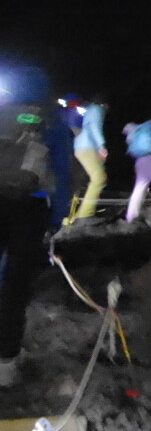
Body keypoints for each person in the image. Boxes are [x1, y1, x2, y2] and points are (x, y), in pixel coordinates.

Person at [0, 67, 72, 388]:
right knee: (16, 286)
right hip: (30, 208)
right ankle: (5, 363)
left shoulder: (2, 116)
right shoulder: (54, 126)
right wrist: (56, 220)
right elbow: (62, 177)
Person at [71, 92, 109, 221]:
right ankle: (85, 214)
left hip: (81, 147)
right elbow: (94, 127)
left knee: (94, 178)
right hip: (87, 147)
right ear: (104, 105)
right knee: (99, 178)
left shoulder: (90, 109)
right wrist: (102, 146)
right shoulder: (97, 109)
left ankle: (83, 211)